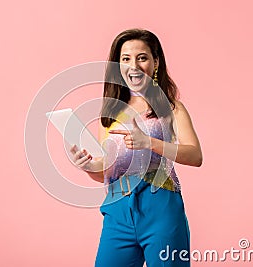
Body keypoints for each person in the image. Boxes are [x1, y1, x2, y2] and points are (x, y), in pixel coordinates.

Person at [70, 28, 202, 267]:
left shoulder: (172, 108)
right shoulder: (110, 113)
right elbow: (107, 169)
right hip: (117, 211)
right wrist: (89, 166)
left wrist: (150, 142)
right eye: (126, 59)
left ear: (155, 62)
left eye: (142, 57)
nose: (134, 65)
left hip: (160, 207)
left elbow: (195, 155)